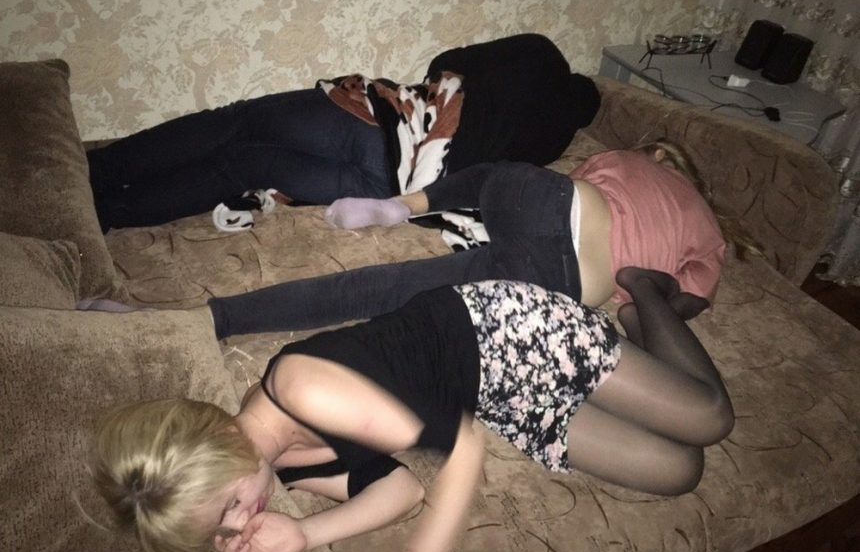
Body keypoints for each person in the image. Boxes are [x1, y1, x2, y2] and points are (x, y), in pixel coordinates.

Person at [91, 268, 735, 552]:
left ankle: (645, 294)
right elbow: (400, 488)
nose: (241, 523)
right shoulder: (276, 469)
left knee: (711, 420)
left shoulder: (300, 388)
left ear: (222, 448)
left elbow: (460, 451)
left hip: (499, 331)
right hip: (490, 398)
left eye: (230, 506)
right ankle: (641, 335)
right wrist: (304, 535)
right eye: (223, 530)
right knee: (680, 470)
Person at [206, 139, 759, 339]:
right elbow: (686, 305)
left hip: (540, 203)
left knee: (496, 177)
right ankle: (221, 320)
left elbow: (567, 188)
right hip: (565, 280)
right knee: (386, 289)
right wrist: (637, 299)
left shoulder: (631, 159)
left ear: (660, 157)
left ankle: (401, 206)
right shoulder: (711, 239)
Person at [88, 33, 600, 232]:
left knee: (234, 122)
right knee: (241, 166)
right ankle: (110, 213)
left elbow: (446, 63)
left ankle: (98, 170)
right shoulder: (553, 141)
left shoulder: (540, 52)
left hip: (377, 126)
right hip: (389, 188)